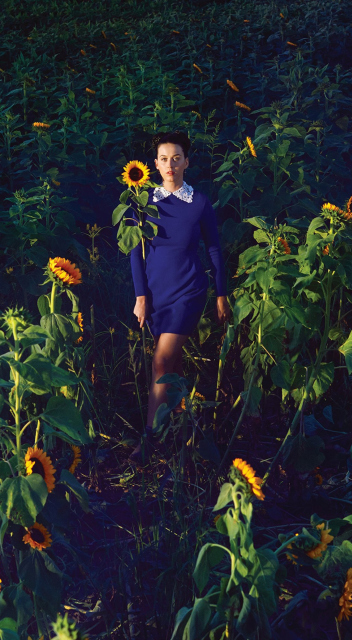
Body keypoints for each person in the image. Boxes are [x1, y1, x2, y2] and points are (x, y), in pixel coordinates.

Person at [129, 130, 230, 462]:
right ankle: (184, 431)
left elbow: (213, 248)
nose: (170, 164)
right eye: (163, 159)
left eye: (176, 158)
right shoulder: (142, 201)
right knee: (171, 365)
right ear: (155, 165)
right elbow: (134, 252)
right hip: (156, 295)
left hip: (189, 291)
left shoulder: (199, 202)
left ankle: (149, 440)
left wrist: (220, 294)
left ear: (186, 161)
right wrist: (141, 297)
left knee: (160, 360)